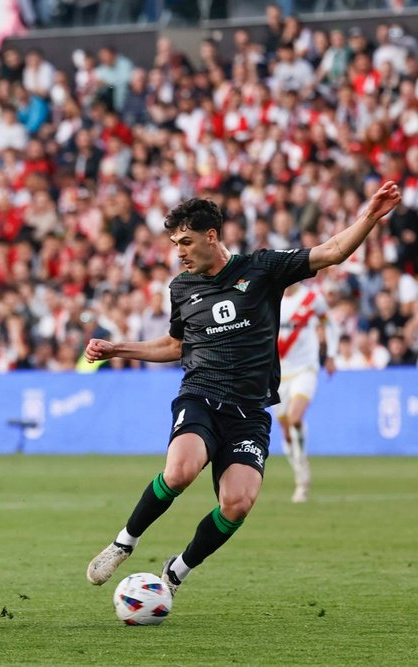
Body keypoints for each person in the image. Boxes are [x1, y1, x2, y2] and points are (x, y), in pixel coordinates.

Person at [83, 182, 401, 598]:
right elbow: (177, 345)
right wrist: (117, 348)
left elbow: (332, 251)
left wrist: (370, 216)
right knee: (179, 471)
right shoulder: (181, 287)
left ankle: (176, 572)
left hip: (250, 412)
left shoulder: (263, 269)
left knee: (237, 504)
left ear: (211, 236)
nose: (179, 251)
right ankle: (124, 541)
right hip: (201, 394)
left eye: (186, 241)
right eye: (174, 242)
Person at [275, 281, 334, 503]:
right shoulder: (270, 296)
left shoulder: (311, 298)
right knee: (286, 431)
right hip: (278, 373)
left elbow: (330, 323)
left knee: (295, 417)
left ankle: (302, 480)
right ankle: (299, 468)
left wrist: (331, 354)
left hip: (305, 368)